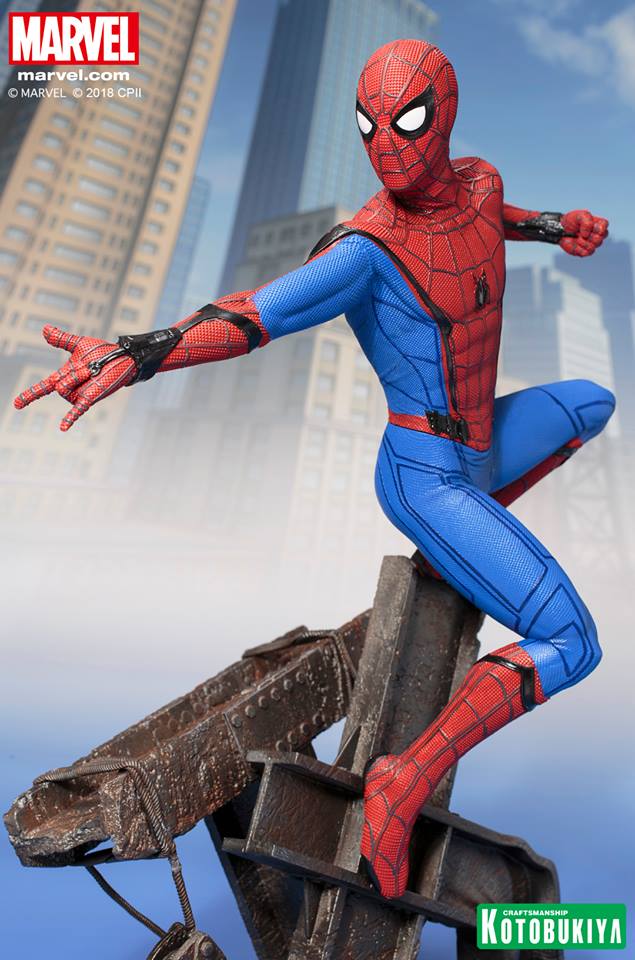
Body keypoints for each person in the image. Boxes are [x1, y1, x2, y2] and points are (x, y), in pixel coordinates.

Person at [15, 39, 613, 899]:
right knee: (570, 642)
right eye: (370, 127)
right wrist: (140, 352)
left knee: (591, 402)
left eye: (408, 122)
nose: (387, 147)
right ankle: (401, 781)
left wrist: (555, 227)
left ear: (445, 114)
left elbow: (490, 218)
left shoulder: (479, 182)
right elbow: (253, 314)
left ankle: (467, 549)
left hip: (481, 450)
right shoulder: (364, 250)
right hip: (425, 472)